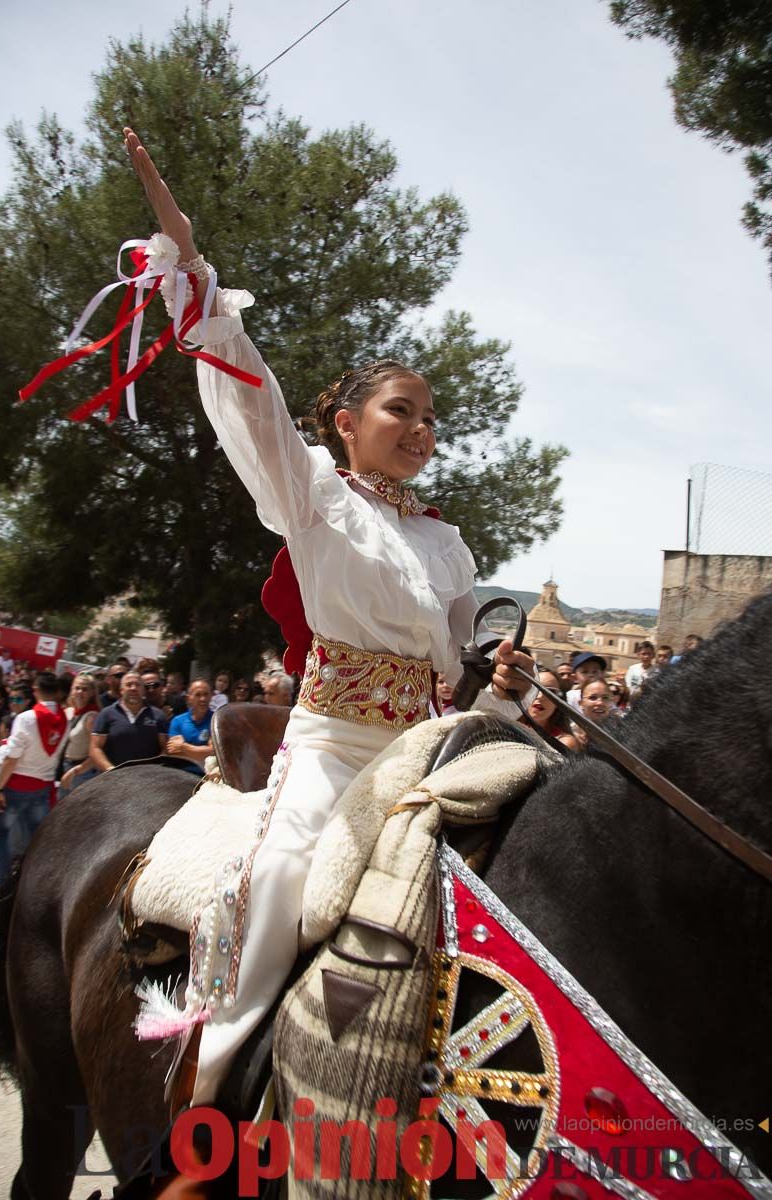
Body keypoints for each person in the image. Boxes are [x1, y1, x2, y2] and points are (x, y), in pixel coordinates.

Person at [122, 127, 537, 1123]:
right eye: (402, 408)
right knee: (277, 892)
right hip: (331, 749)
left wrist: (497, 665)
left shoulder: (446, 544)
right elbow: (248, 392)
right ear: (345, 421)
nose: (422, 428)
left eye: (432, 417)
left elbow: (459, 648)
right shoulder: (310, 492)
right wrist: (194, 282)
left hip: (423, 747)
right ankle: (208, 1097)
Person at [0, 672, 67, 894]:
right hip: (43, 786)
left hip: (16, 785)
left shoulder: (27, 718)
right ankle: (27, 890)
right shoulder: (65, 718)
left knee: (1, 834)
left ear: (36, 691)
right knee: (33, 842)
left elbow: (12, 758)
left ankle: (3, 887)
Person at [89, 672, 168, 770]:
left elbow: (165, 748)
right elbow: (95, 748)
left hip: (147, 779)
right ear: (121, 690)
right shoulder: (106, 714)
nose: (133, 688)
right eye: (129, 685)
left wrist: (153, 770)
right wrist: (110, 770)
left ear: (143, 690)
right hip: (114, 778)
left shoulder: (158, 715)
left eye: (138, 685)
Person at [59, 674, 101, 794]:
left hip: (82, 774)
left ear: (92, 693)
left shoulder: (92, 717)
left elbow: (98, 752)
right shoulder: (68, 712)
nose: (79, 692)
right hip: (64, 767)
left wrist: (77, 771)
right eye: (77, 688)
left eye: (84, 689)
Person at [519, 669, 579, 751]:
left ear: (558, 701)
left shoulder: (565, 742)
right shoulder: (505, 728)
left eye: (550, 691)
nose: (540, 696)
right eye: (534, 688)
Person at [166, 679, 214, 775]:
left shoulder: (216, 721)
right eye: (198, 695)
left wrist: (183, 747)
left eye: (206, 694)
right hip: (181, 774)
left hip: (207, 776)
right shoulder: (178, 721)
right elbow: (174, 752)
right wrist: (201, 751)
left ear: (211, 697)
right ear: (189, 698)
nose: (203, 699)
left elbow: (212, 753)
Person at [572, 677, 617, 748]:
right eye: (593, 698)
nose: (600, 703)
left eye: (605, 698)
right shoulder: (572, 734)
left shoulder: (624, 730)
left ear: (611, 702)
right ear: (581, 703)